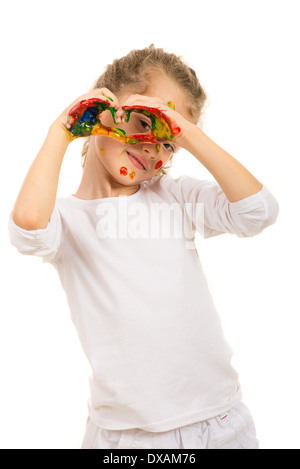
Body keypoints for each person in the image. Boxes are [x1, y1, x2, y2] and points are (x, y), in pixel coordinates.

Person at [8, 45, 279, 449]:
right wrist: (61, 131)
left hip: (216, 421)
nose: (155, 148)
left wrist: (188, 134)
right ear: (102, 113)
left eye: (169, 141)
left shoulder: (174, 196)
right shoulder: (67, 220)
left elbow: (258, 212)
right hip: (124, 437)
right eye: (145, 123)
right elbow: (28, 226)